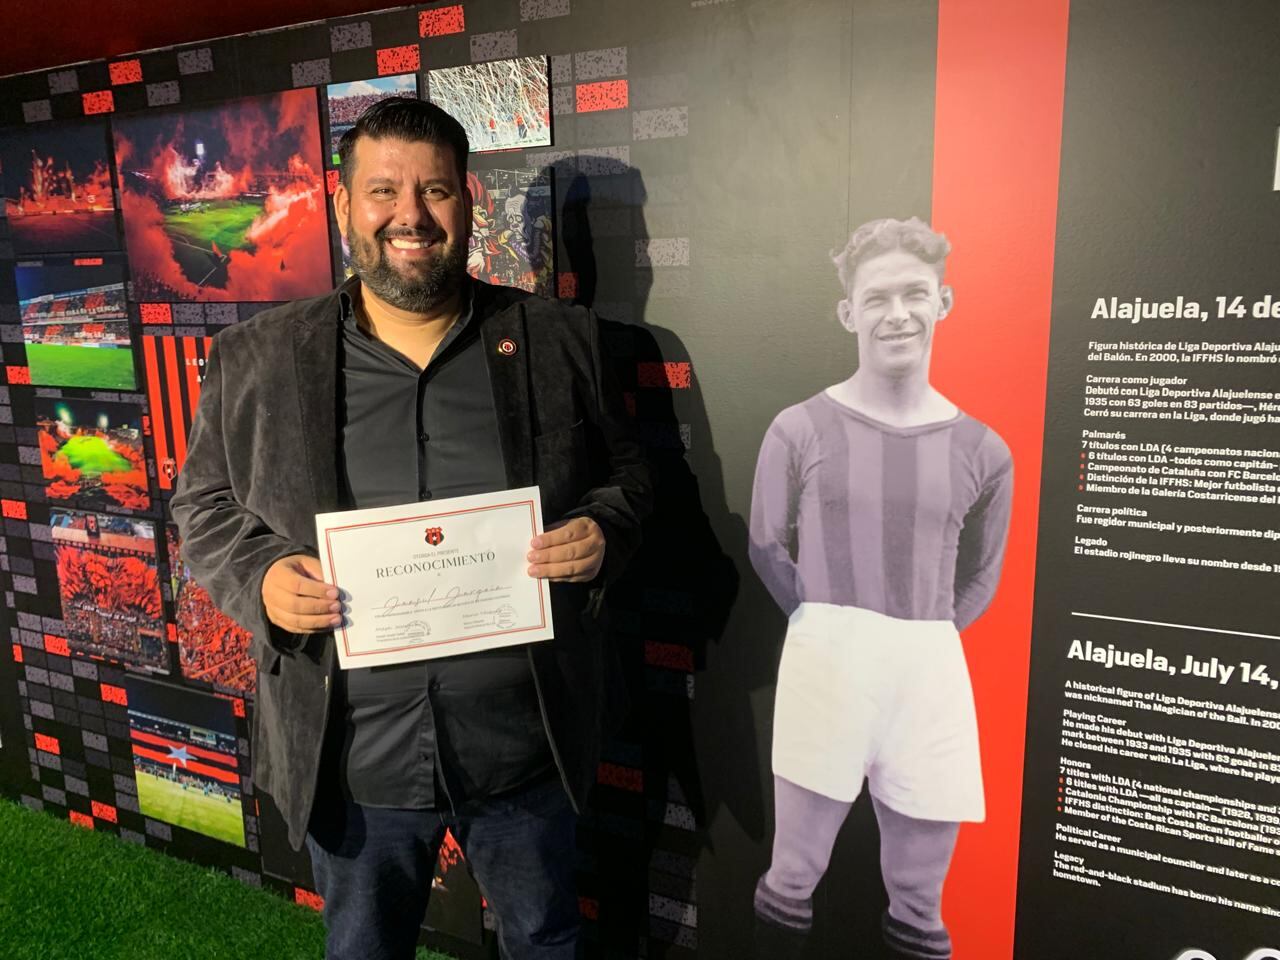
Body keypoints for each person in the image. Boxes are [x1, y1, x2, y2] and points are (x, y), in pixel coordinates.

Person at [171, 97, 651, 960]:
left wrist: (603, 533)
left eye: (434, 191)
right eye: (384, 190)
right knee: (363, 950)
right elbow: (202, 504)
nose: (410, 216)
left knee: (546, 940)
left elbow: (630, 478)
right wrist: (263, 579)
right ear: (343, 202)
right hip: (355, 759)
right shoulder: (260, 356)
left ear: (467, 201)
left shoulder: (556, 340)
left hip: (523, 744)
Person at [748, 217, 1013, 960]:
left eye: (915, 294)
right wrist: (827, 622)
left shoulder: (984, 450)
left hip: (928, 670)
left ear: (944, 302)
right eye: (878, 298)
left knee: (923, 900)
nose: (897, 313)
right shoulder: (798, 428)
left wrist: (920, 633)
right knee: (793, 874)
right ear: (849, 312)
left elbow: (983, 571)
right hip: (826, 662)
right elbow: (767, 544)